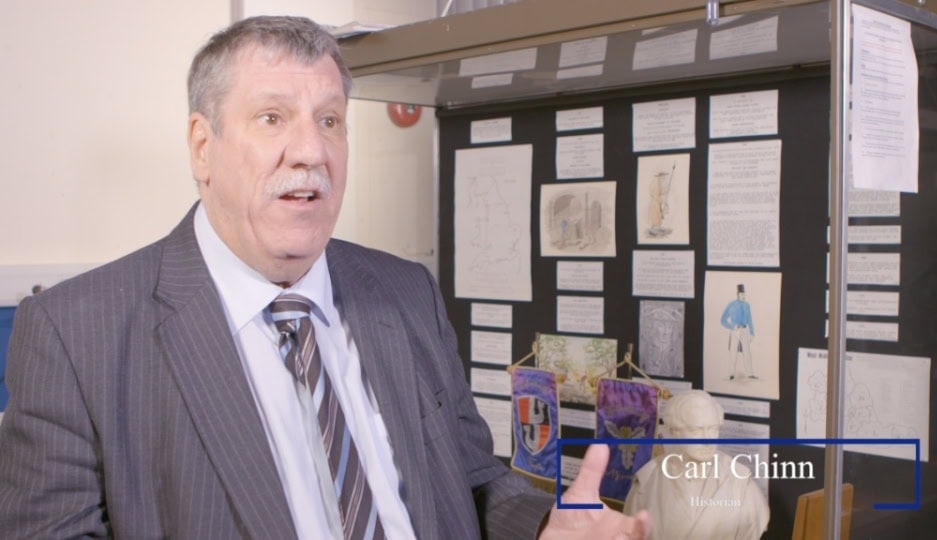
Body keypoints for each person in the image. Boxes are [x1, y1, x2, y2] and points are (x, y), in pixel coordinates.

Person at [0, 15, 649, 540]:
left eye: (330, 120)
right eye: (272, 117)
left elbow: (472, 480)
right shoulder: (74, 336)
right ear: (202, 147)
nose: (311, 150)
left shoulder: (406, 292)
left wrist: (541, 526)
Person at [623, 390, 768, 540]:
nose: (707, 440)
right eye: (695, 431)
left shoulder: (742, 484)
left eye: (713, 429)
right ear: (673, 431)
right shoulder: (647, 482)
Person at [720, 284, 756, 380]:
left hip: (744, 330)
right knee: (733, 351)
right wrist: (732, 326)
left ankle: (750, 373)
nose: (743, 295)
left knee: (747, 351)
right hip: (735, 330)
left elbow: (750, 319)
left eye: (744, 293)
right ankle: (732, 374)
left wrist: (752, 332)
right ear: (737, 294)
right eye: (741, 294)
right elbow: (723, 320)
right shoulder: (731, 305)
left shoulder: (747, 305)